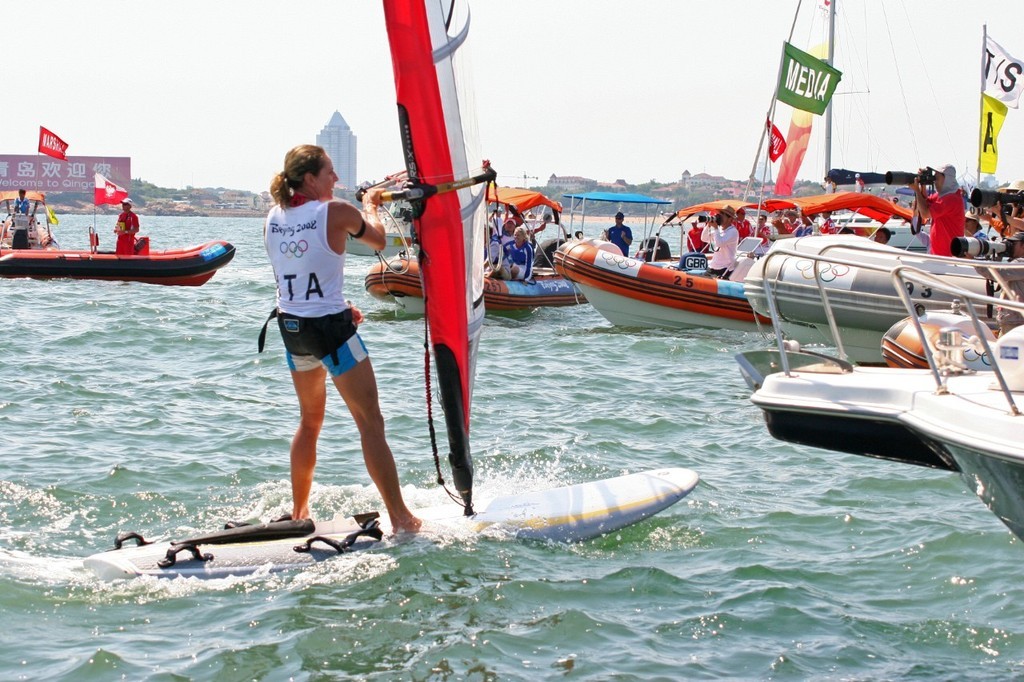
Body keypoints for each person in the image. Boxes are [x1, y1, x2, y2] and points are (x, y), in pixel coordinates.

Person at [264, 144, 420, 532]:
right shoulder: (336, 211)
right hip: (330, 330)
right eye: (330, 172)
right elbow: (381, 241)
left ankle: (299, 513)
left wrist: (339, 302)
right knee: (371, 424)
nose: (336, 179)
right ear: (310, 178)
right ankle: (402, 518)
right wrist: (372, 205)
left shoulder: (274, 217)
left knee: (309, 421)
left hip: (292, 329)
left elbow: (299, 272)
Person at [911, 164, 964, 257]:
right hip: (938, 254)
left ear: (947, 179)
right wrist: (923, 184)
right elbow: (925, 204)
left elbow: (925, 213)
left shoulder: (951, 198)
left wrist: (917, 190)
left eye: (936, 179)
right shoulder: (942, 195)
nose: (934, 182)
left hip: (948, 257)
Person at [701, 206, 739, 278]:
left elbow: (719, 243)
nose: (719, 217)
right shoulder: (720, 230)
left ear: (730, 219)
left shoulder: (733, 231)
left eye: (722, 215)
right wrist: (708, 225)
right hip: (713, 267)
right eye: (719, 214)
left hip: (724, 269)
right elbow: (704, 238)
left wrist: (715, 228)